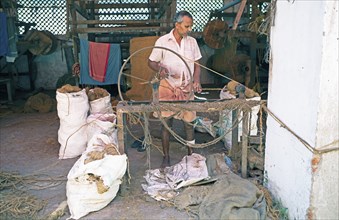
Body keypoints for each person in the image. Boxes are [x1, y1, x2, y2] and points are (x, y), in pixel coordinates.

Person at [148, 10, 202, 168]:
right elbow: (150, 62)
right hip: (168, 86)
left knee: (189, 123)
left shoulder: (192, 42)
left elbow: (198, 64)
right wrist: (159, 69)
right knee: (166, 124)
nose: (189, 29)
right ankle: (166, 156)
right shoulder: (163, 41)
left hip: (186, 87)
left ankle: (191, 156)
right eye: (186, 26)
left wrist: (196, 80)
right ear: (177, 25)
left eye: (190, 26)